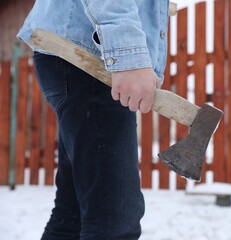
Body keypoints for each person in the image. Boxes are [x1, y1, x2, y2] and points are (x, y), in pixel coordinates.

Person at [17, 0, 170, 239]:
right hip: (88, 59)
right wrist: (128, 56)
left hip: (78, 54)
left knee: (74, 216)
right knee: (113, 220)